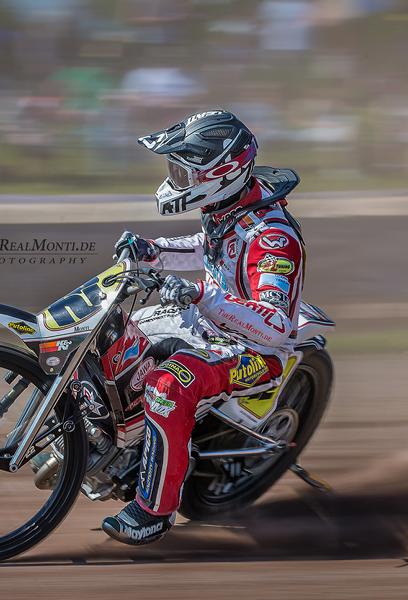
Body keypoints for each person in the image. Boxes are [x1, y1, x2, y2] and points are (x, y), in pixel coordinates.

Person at [102, 109, 305, 545]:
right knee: (113, 335)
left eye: (183, 171)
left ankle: (154, 511)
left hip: (255, 353)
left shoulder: (273, 238)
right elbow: (205, 250)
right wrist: (151, 250)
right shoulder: (228, 205)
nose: (175, 180)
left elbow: (275, 327)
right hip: (207, 325)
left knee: (167, 386)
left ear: (222, 173)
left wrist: (200, 296)